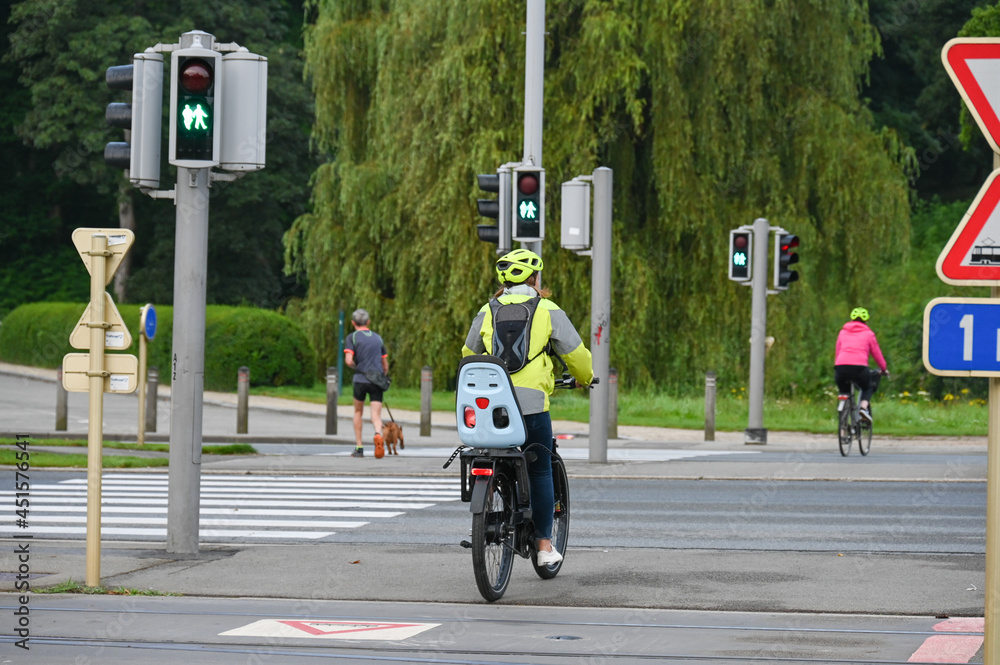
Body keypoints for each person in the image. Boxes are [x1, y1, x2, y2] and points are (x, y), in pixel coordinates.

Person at [462, 249, 594, 566]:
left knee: (493, 454)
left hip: (491, 408)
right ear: (535, 278)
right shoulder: (547, 309)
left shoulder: (486, 309)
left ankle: (497, 494)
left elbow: (468, 352)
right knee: (540, 468)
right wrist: (585, 379)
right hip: (531, 405)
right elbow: (576, 355)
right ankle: (544, 545)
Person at [344, 308, 389, 458]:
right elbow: (385, 365)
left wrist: (357, 367)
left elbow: (348, 360)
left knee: (358, 412)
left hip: (360, 380)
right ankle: (378, 433)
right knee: (376, 414)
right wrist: (381, 376)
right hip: (376, 380)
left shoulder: (353, 337)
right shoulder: (377, 338)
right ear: (368, 322)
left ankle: (359, 447)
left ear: (353, 323)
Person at [835, 307, 889, 423]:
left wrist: (838, 367)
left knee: (844, 393)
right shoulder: (869, 334)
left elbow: (838, 352)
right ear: (866, 321)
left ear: (851, 319)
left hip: (841, 368)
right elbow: (877, 354)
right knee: (867, 386)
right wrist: (883, 368)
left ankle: (843, 430)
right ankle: (863, 409)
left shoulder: (842, 332)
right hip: (859, 368)